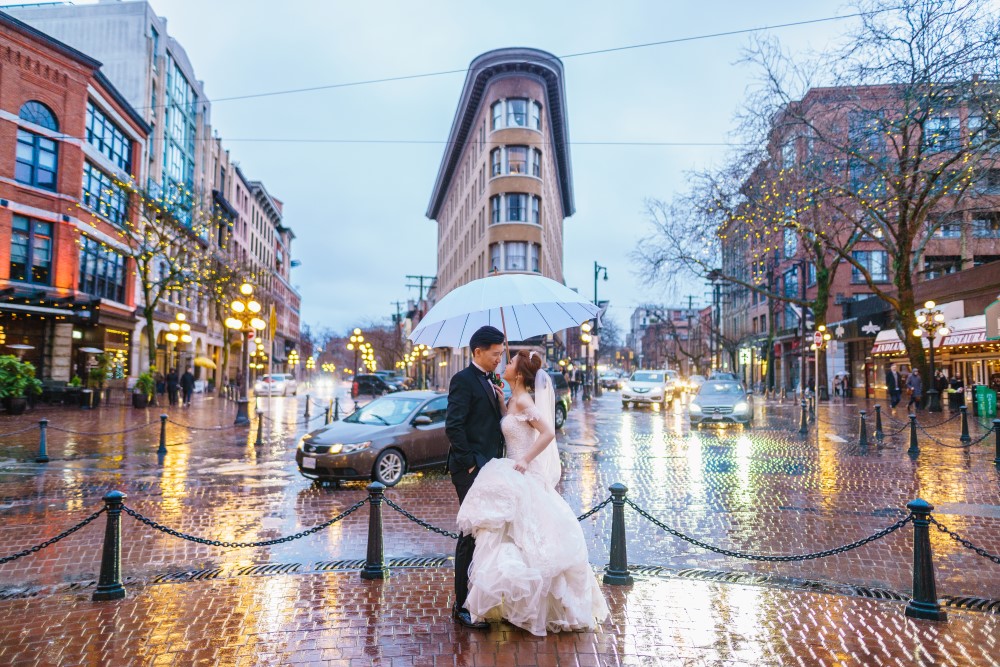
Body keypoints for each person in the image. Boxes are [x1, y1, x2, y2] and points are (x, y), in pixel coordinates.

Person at [457, 350, 609, 636]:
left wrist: (526, 459)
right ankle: (513, 603)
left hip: (521, 472)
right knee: (510, 536)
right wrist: (503, 404)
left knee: (530, 538)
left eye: (511, 361)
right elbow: (512, 424)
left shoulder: (526, 399)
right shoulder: (515, 400)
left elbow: (548, 433)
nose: (505, 363)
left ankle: (539, 605)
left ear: (520, 373)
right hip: (509, 473)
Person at [445, 325, 507, 631]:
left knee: (485, 533)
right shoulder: (462, 380)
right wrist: (470, 464)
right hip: (470, 470)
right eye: (495, 354)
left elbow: (490, 425)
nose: (499, 359)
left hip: (490, 467)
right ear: (478, 351)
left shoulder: (490, 380)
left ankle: (479, 596)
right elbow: (453, 426)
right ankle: (461, 605)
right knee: (469, 534)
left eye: (501, 353)